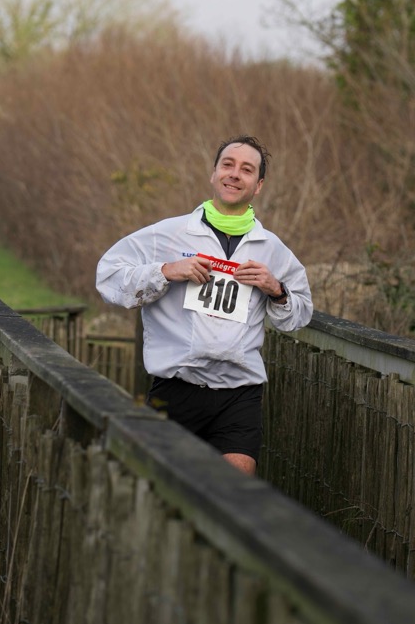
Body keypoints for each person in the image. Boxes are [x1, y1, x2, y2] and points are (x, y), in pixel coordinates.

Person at [96, 135, 313, 476]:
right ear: (214, 174)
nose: (234, 174)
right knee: (163, 488)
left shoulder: (272, 248)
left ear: (258, 186)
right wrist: (166, 271)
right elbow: (108, 278)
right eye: (228, 165)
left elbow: (300, 315)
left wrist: (277, 290)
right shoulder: (169, 234)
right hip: (177, 387)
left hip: (240, 392)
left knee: (233, 491)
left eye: (247, 170)